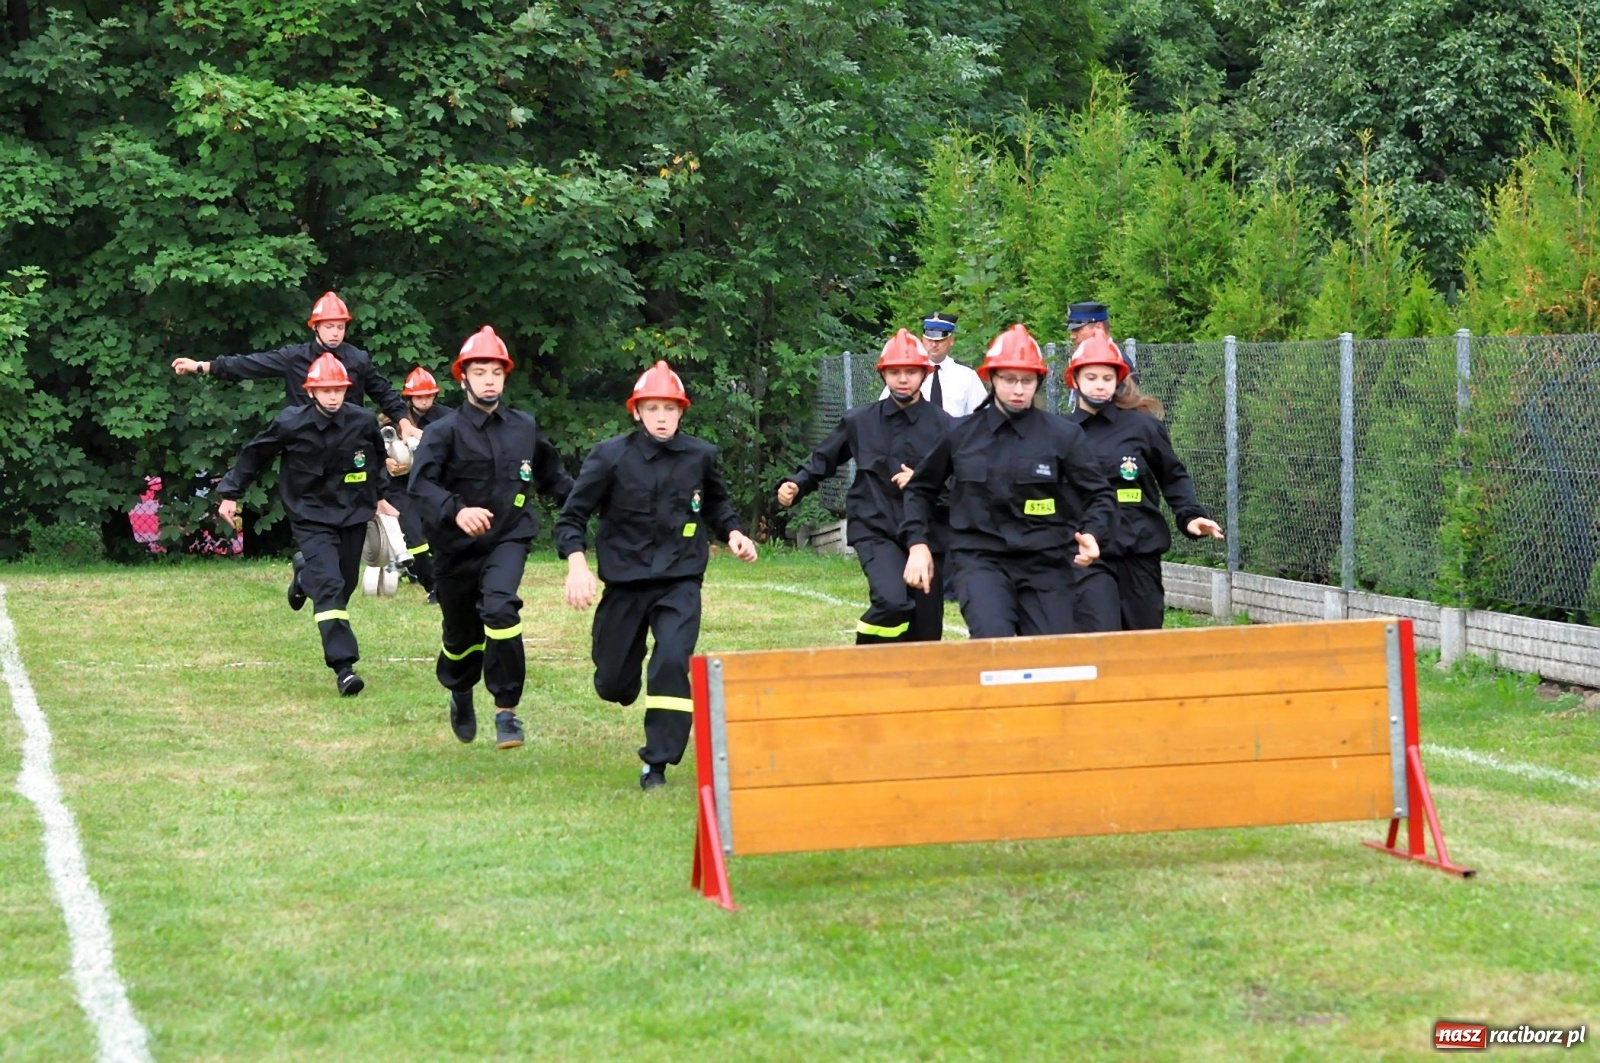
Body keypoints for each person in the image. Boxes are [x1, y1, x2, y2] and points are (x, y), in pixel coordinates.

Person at [557, 361, 758, 790]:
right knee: (612, 683)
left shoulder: (700, 455)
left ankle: (658, 763)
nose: (662, 417)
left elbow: (717, 504)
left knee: (670, 661)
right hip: (625, 582)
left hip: (680, 580)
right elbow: (572, 516)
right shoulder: (608, 456)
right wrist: (576, 563)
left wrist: (734, 533)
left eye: (670, 408)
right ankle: (620, 679)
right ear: (636, 412)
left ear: (682, 411)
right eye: (652, 408)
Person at [407, 327, 573, 751]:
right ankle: (460, 689)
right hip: (454, 549)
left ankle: (506, 711)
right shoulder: (442, 432)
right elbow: (420, 485)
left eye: (496, 372)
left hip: (508, 538)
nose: (489, 380)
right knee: (461, 638)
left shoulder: (524, 427)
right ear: (463, 377)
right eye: (480, 372)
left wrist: (601, 506)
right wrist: (457, 511)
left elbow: (556, 480)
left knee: (500, 608)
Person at [902, 324, 1116, 638]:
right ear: (991, 378)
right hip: (980, 560)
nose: (1018, 390)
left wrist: (1093, 533)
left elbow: (1099, 495)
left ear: (1038, 382)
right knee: (994, 642)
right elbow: (920, 490)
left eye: (1027, 381)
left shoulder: (1063, 436)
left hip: (1047, 564)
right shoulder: (959, 434)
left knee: (1052, 653)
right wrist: (918, 544)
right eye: (1009, 380)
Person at [214, 353, 393, 696]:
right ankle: (344, 667)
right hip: (310, 515)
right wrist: (230, 493)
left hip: (353, 513)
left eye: (338, 389)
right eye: (325, 390)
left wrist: (381, 497)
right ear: (311, 391)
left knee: (344, 585)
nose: (333, 396)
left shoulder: (363, 420)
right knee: (330, 587)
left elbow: (376, 461)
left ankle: (304, 576)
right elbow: (255, 454)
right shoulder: (290, 422)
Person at [777, 329, 951, 643]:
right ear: (883, 374)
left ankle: (906, 675)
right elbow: (824, 458)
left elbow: (962, 482)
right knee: (892, 601)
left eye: (911, 372)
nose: (902, 379)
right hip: (876, 529)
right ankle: (865, 659)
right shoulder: (860, 421)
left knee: (926, 631)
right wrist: (796, 484)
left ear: (924, 374)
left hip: (928, 537)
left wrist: (925, 481)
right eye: (894, 372)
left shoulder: (945, 426)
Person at [1066, 336, 1224, 631]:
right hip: (1088, 558)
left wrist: (1190, 515)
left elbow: (1173, 476)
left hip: (1139, 553)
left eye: (1107, 378)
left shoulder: (1143, 427)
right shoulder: (1061, 433)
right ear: (1074, 380)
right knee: (1100, 636)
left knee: (1143, 641)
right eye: (1091, 377)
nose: (1099, 385)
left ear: (1118, 380)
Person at [171, 291, 421, 443]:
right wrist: (201, 366)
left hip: (347, 440)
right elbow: (249, 365)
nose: (335, 333)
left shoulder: (358, 358)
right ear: (315, 327)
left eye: (340, 327)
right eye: (329, 327)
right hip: (306, 441)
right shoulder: (295, 357)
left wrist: (404, 422)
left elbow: (383, 392)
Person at [383, 367, 451, 601]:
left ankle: (447, 582)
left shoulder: (447, 419)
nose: (424, 400)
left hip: (435, 484)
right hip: (401, 488)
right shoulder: (392, 421)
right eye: (419, 396)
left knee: (442, 535)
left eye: (428, 395)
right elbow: (372, 451)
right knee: (415, 538)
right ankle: (432, 586)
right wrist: (387, 463)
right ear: (409, 397)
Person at [878, 312, 988, 418]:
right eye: (930, 339)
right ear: (922, 339)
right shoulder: (911, 374)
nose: (934, 344)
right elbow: (883, 410)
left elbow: (981, 416)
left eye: (940, 340)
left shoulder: (966, 376)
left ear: (951, 340)